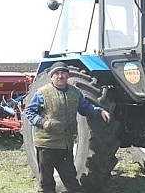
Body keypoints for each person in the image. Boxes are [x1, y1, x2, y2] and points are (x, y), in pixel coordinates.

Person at [25, 62, 111, 193]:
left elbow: (86, 108)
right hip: (47, 146)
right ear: (52, 76)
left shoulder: (75, 93)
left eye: (63, 73)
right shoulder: (42, 93)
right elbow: (29, 112)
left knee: (72, 183)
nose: (60, 76)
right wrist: (41, 122)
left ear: (67, 75)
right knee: (47, 184)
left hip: (65, 146)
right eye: (57, 73)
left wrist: (99, 111)